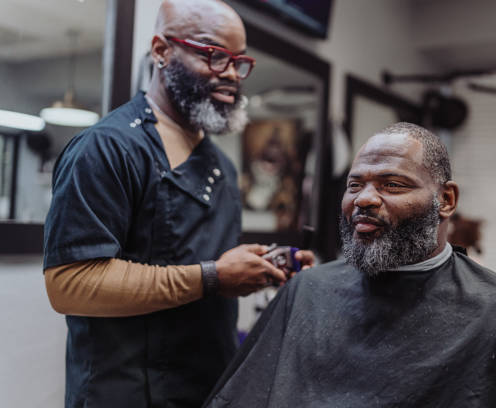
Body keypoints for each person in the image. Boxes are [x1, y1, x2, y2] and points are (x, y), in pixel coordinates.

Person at [204, 122, 496, 407]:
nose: (363, 198)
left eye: (392, 185)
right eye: (355, 184)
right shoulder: (306, 291)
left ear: (446, 200)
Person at [43, 1, 312, 407]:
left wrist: (262, 267)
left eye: (239, 62)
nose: (230, 75)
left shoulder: (220, 166)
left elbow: (200, 259)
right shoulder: (106, 148)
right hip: (125, 391)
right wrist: (213, 278)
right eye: (214, 55)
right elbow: (70, 283)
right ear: (161, 51)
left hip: (205, 385)